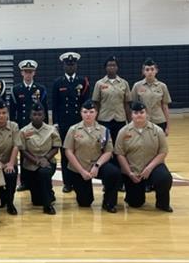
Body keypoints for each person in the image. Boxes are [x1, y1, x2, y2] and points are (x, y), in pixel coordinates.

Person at [114, 101, 173, 213]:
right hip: (133, 170)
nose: (139, 115)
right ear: (131, 115)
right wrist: (129, 173)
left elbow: (163, 152)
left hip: (153, 168)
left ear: (147, 114)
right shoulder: (123, 132)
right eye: (136, 113)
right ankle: (132, 193)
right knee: (136, 203)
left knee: (164, 178)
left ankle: (162, 203)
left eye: (142, 112)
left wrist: (149, 168)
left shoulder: (157, 130)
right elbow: (119, 154)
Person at [63, 100, 120, 213]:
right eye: (85, 112)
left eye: (91, 112)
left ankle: (109, 202)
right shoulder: (73, 130)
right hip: (80, 167)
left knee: (114, 173)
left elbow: (108, 151)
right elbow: (68, 151)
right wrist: (82, 171)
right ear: (81, 113)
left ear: (96, 113)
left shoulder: (104, 130)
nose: (88, 114)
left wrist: (97, 166)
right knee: (85, 202)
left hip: (98, 165)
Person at [52, 52, 90, 193]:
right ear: (63, 66)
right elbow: (55, 105)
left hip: (78, 123)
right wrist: (55, 123)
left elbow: (86, 104)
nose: (70, 67)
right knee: (65, 153)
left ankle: (79, 181)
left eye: (72, 64)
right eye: (67, 64)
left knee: (79, 153)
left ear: (76, 65)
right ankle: (67, 183)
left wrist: (86, 122)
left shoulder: (83, 82)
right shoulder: (58, 83)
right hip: (63, 124)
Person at [92, 55, 131, 191]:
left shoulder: (124, 83)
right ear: (105, 68)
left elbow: (127, 104)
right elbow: (96, 104)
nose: (111, 67)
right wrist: (94, 122)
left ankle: (119, 182)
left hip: (119, 121)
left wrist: (129, 122)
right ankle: (107, 182)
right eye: (109, 65)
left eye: (114, 65)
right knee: (106, 151)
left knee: (119, 151)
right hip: (104, 122)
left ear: (117, 67)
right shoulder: (99, 84)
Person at [10, 59, 48, 193]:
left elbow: (45, 109)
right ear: (21, 73)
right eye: (26, 72)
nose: (28, 74)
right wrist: (15, 128)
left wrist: (46, 128)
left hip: (37, 127)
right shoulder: (16, 89)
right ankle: (25, 181)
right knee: (23, 154)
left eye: (30, 72)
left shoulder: (40, 89)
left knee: (37, 151)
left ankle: (37, 179)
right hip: (22, 127)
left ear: (34, 73)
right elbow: (13, 111)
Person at [18, 103, 61, 215]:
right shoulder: (23, 131)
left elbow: (56, 148)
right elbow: (23, 151)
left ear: (44, 116)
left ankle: (48, 206)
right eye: (34, 114)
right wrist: (37, 161)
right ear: (30, 116)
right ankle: (49, 193)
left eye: (39, 114)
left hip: (48, 162)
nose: (37, 116)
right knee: (36, 201)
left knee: (44, 173)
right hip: (30, 165)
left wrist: (45, 159)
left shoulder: (51, 130)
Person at [131, 58, 172, 136]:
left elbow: (165, 107)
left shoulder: (162, 86)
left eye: (152, 69)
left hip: (159, 121)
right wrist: (133, 123)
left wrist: (168, 127)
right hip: (143, 121)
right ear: (143, 72)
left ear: (156, 70)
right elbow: (133, 107)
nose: (150, 72)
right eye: (147, 70)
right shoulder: (137, 86)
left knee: (159, 146)